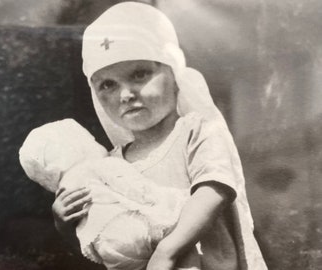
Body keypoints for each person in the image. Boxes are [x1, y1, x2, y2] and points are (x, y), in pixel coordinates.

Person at [52, 2, 268, 270]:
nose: (126, 94)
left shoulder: (196, 131)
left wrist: (167, 251)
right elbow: (106, 242)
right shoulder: (110, 166)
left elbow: (214, 191)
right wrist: (66, 224)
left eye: (139, 74)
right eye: (108, 84)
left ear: (174, 75)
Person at [19, 118, 190, 269]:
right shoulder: (98, 165)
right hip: (132, 231)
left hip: (105, 247)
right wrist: (162, 198)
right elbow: (131, 185)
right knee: (182, 246)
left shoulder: (65, 190)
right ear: (83, 147)